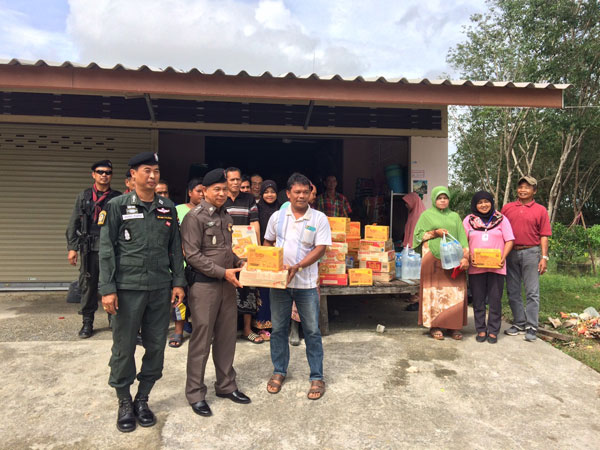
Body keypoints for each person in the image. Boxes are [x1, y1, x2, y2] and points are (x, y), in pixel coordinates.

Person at [99, 152, 186, 433]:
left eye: (156, 171)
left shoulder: (167, 207)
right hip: (127, 289)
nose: (152, 176)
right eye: (146, 170)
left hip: (160, 289)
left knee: (156, 346)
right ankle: (124, 401)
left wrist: (178, 282)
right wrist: (108, 289)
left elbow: (175, 248)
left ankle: (143, 398)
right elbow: (106, 249)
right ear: (133, 175)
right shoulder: (117, 206)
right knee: (124, 348)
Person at [180, 168, 251, 417]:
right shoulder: (194, 217)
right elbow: (193, 256)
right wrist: (224, 272)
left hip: (227, 285)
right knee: (201, 340)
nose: (221, 193)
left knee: (226, 337)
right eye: (216, 189)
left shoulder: (226, 216)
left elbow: (225, 249)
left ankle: (226, 385)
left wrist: (240, 262)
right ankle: (196, 393)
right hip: (204, 287)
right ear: (204, 192)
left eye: (224, 189)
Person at [264, 172, 332, 400]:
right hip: (280, 284)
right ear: (288, 194)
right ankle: (279, 371)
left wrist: (298, 266)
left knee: (312, 331)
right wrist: (273, 261)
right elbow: (268, 242)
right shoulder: (277, 217)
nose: (302, 196)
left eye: (306, 192)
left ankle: (316, 376)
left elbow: (321, 248)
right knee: (279, 330)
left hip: (307, 284)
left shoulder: (319, 218)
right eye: (297, 192)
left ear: (311, 194)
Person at [66, 160, 121, 338]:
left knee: (113, 283)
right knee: (88, 286)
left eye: (108, 172)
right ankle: (87, 322)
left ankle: (113, 320)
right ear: (93, 175)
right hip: (89, 248)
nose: (104, 175)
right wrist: (73, 248)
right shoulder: (84, 196)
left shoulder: (117, 197)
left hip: (112, 247)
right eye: (100, 172)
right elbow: (73, 222)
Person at [413, 186, 469, 341]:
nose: (443, 200)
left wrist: (465, 257)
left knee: (455, 292)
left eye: (445, 197)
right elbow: (417, 236)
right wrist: (434, 233)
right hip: (432, 259)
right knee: (434, 292)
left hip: (453, 259)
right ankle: (435, 326)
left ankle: (453, 326)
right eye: (439, 198)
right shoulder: (426, 215)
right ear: (434, 200)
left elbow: (462, 238)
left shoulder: (455, 216)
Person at [501, 176, 552, 342]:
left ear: (534, 191)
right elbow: (498, 229)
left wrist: (544, 257)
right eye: (521, 187)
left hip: (531, 252)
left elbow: (544, 235)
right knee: (513, 290)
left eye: (527, 187)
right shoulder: (507, 208)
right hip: (511, 253)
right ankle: (519, 323)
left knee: (532, 292)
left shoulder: (540, 210)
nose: (523, 190)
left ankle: (531, 326)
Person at [463, 191, 514, 344]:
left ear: (491, 202)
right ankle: (480, 329)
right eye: (480, 202)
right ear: (475, 204)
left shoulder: (501, 219)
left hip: (497, 267)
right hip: (475, 267)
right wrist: (467, 256)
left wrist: (503, 257)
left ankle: (493, 330)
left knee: (495, 300)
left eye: (486, 201)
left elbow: (510, 240)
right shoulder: (468, 220)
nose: (483, 205)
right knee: (478, 300)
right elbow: (463, 241)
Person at [223, 167, 263, 343]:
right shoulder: (220, 198)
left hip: (246, 251)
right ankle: (225, 332)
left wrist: (257, 249)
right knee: (225, 291)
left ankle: (247, 330)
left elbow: (254, 223)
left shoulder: (248, 199)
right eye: (232, 180)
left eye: (238, 179)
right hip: (224, 252)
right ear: (226, 181)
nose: (235, 182)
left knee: (247, 288)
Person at [168, 178, 204, 349]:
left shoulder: (209, 211)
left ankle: (200, 332)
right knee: (180, 299)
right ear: (190, 192)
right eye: (198, 191)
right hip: (181, 264)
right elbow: (173, 236)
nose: (202, 194)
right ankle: (178, 331)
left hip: (202, 265)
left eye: (204, 191)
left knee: (199, 300)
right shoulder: (178, 210)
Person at [254, 180, 281, 340]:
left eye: (272, 191)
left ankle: (278, 324)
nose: (269, 195)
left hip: (279, 253)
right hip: (263, 253)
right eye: (266, 192)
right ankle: (262, 325)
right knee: (263, 290)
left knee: (278, 289)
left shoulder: (282, 209)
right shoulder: (257, 209)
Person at [402, 192, 427, 311]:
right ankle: (414, 295)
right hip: (411, 247)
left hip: (416, 248)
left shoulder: (421, 215)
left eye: (407, 203)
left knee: (416, 272)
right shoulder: (413, 213)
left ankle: (418, 296)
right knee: (412, 272)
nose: (406, 206)